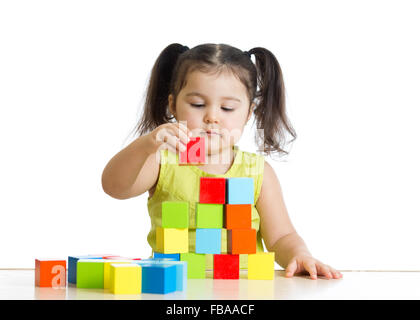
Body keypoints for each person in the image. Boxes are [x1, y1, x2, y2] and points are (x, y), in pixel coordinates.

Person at [101, 43, 342, 280]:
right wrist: (147, 144)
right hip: (176, 288)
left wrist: (299, 255)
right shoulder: (162, 161)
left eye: (227, 108)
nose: (212, 117)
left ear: (248, 113)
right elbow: (115, 187)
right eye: (197, 105)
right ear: (173, 104)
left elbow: (281, 237)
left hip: (244, 290)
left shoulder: (257, 172)